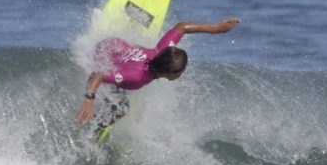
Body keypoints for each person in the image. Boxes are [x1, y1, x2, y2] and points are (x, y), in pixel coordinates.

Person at [75, 18, 241, 129]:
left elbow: (182, 26)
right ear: (170, 74)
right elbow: (97, 75)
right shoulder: (137, 78)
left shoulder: (162, 50)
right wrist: (89, 100)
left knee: (132, 56)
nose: (183, 71)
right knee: (121, 108)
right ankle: (96, 130)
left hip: (117, 44)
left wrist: (216, 28)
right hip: (104, 53)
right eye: (182, 70)